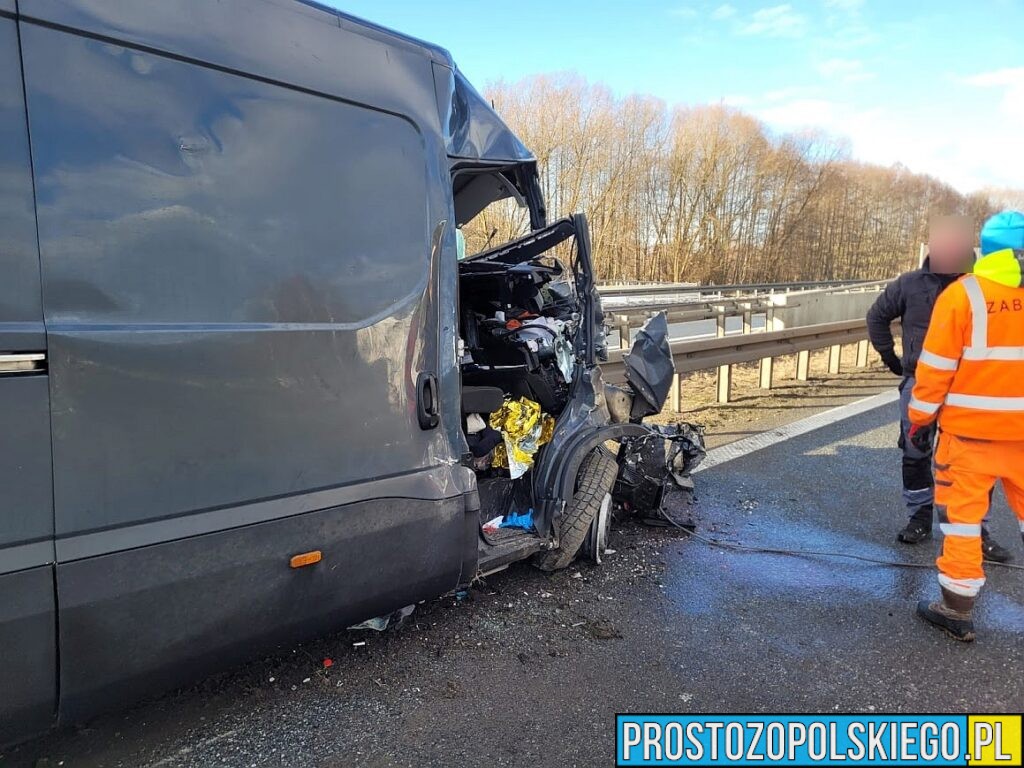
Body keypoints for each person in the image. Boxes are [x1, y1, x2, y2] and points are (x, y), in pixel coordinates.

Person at [866, 216, 1011, 560]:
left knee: (973, 462)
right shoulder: (909, 284)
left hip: (973, 388)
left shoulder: (990, 286)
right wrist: (893, 360)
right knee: (915, 452)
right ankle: (919, 517)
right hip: (920, 383)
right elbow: (877, 317)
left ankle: (976, 532)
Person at [909, 210, 1024, 641]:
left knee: (963, 522)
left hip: (970, 437)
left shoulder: (964, 296)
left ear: (985, 250)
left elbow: (935, 368)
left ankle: (956, 609)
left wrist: (920, 419)